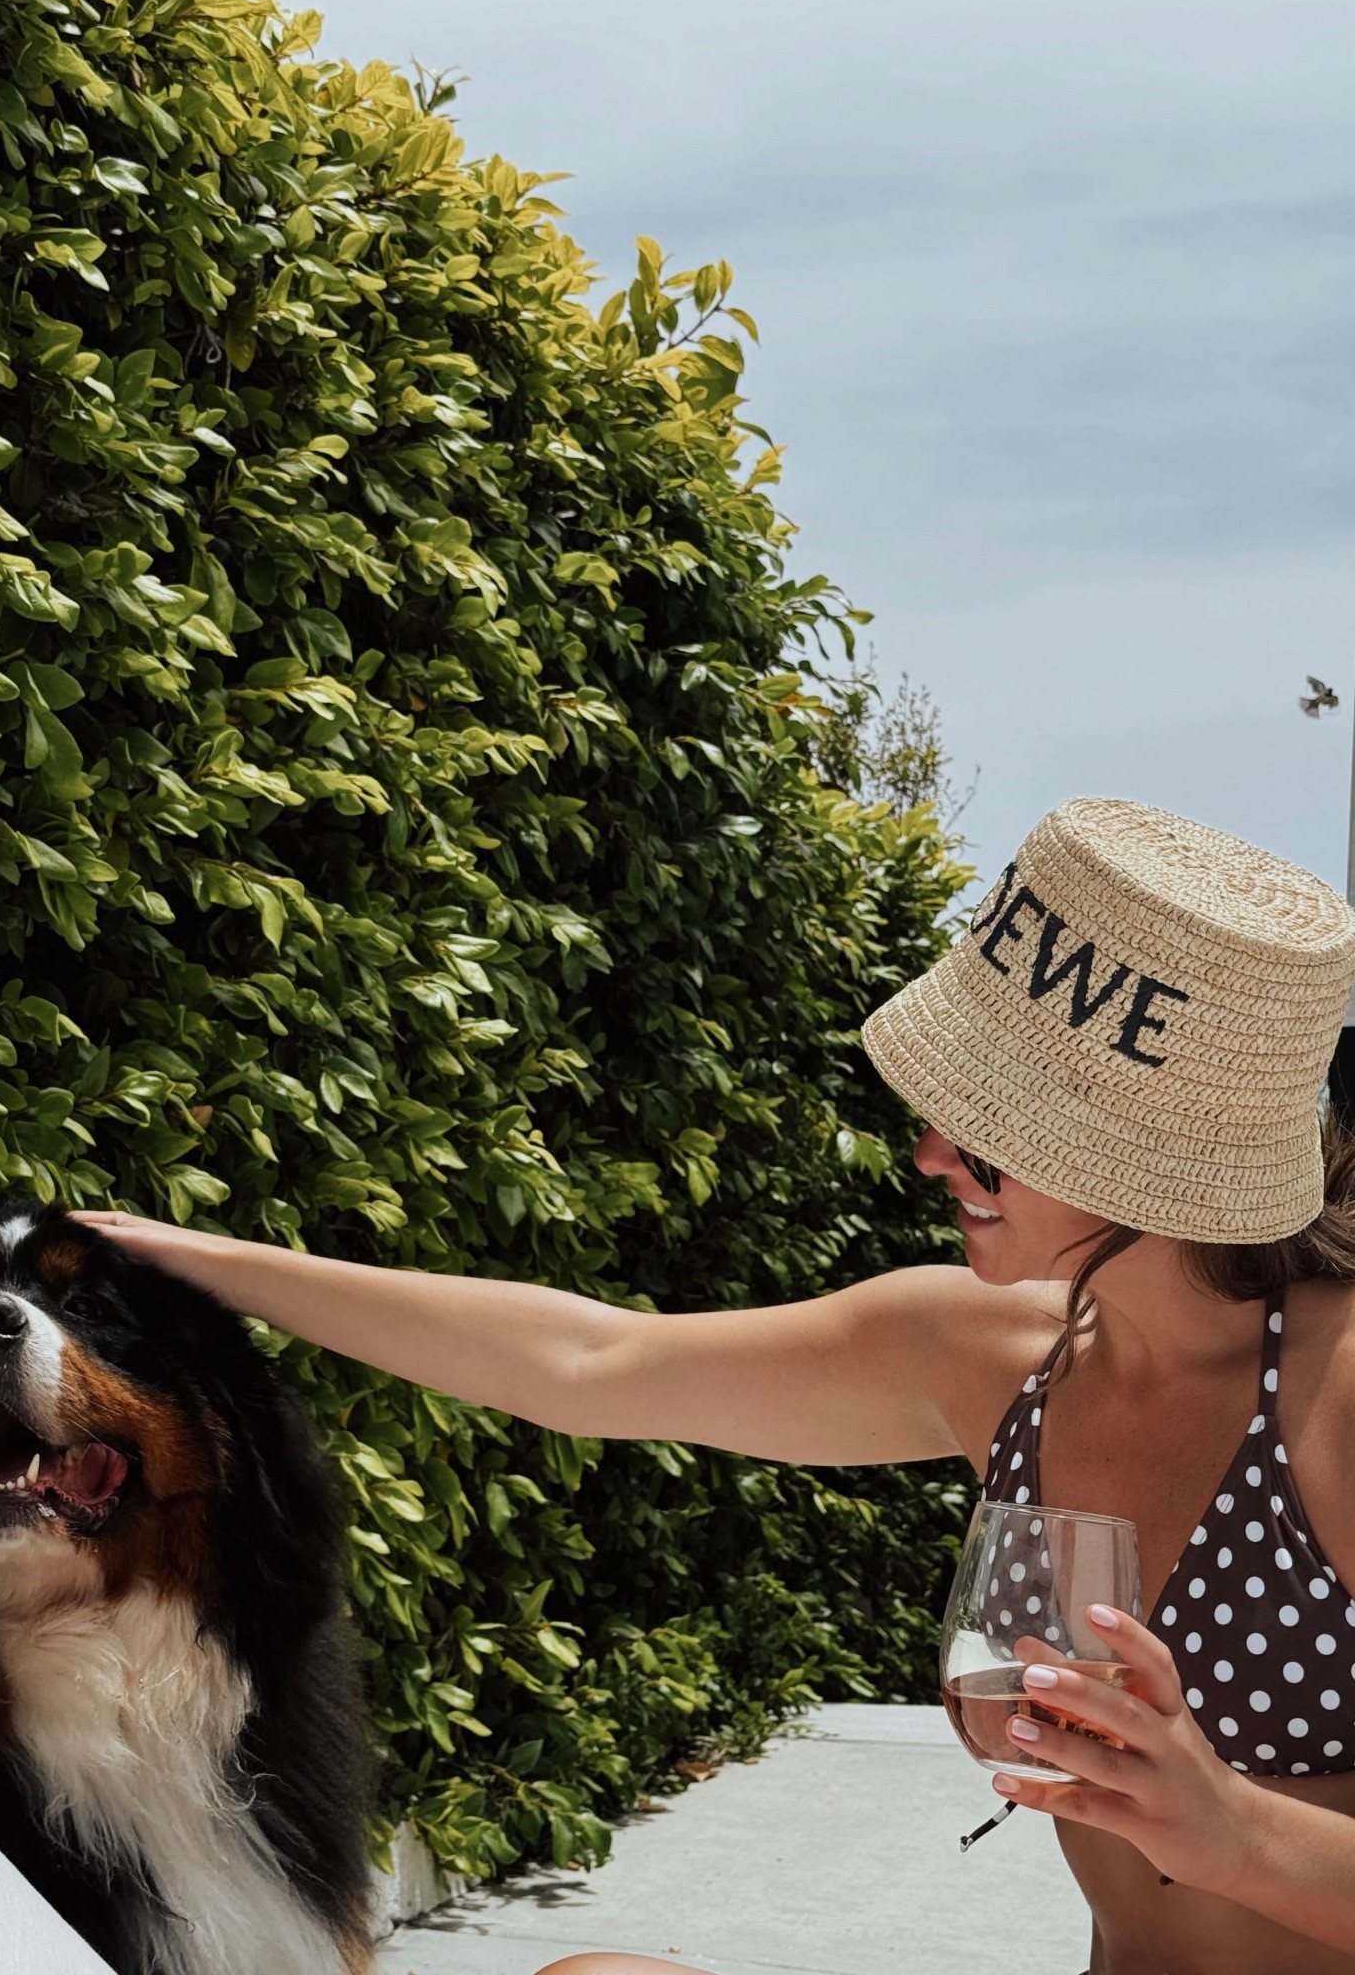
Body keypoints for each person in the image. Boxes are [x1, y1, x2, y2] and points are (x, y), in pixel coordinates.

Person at [77, 798, 1355, 1975]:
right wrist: (200, 1264)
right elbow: (592, 1362)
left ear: (1141, 1160)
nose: (925, 1152)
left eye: (986, 1133)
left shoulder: (1337, 1390)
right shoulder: (996, 1353)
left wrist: (1226, 1823)